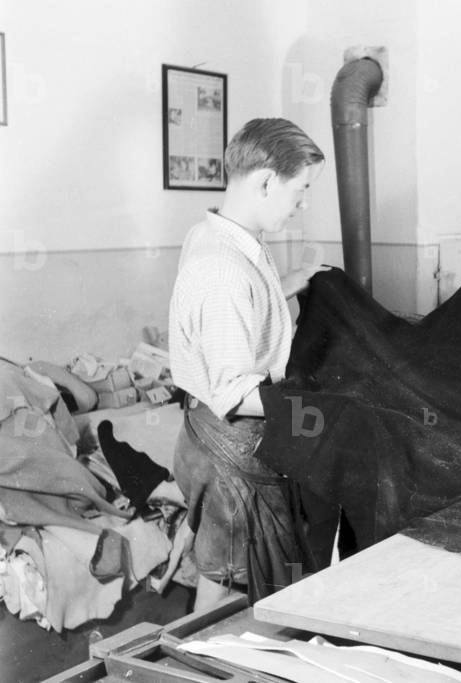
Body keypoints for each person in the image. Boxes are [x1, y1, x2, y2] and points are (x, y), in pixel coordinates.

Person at [168, 118, 328, 611]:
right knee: (229, 599)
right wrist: (323, 409)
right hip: (231, 449)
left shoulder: (216, 235)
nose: (303, 204)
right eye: (300, 191)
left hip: (212, 437)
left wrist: (290, 282)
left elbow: (238, 315)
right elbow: (236, 393)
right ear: (264, 180)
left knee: (225, 581)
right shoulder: (223, 269)